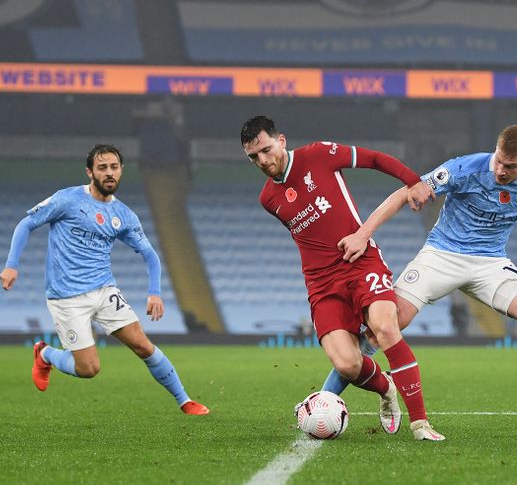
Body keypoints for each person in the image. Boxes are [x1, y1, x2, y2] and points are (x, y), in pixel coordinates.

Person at [323, 124, 517, 437]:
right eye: (499, 160)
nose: (501, 169)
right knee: (385, 325)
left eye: (510, 166)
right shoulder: (465, 168)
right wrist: (363, 234)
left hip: (491, 263)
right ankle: (325, 399)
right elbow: (407, 191)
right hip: (442, 255)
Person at [240, 116, 444, 441]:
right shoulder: (269, 199)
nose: (263, 161)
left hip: (360, 262)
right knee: (348, 364)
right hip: (321, 284)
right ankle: (387, 388)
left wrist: (413, 181)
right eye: (253, 157)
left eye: (266, 150)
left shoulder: (319, 154)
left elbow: (375, 159)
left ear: (281, 140)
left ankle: (420, 423)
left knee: (386, 327)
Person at [1, 145, 209, 415]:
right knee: (89, 369)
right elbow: (25, 224)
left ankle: (184, 400)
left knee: (142, 344)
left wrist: (154, 292)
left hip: (104, 290)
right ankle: (44, 354)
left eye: (114, 167)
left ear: (121, 170)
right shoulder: (68, 199)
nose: (109, 173)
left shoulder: (123, 215)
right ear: (90, 171)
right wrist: (11, 266)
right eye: (102, 167)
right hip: (67, 295)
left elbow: (150, 255)